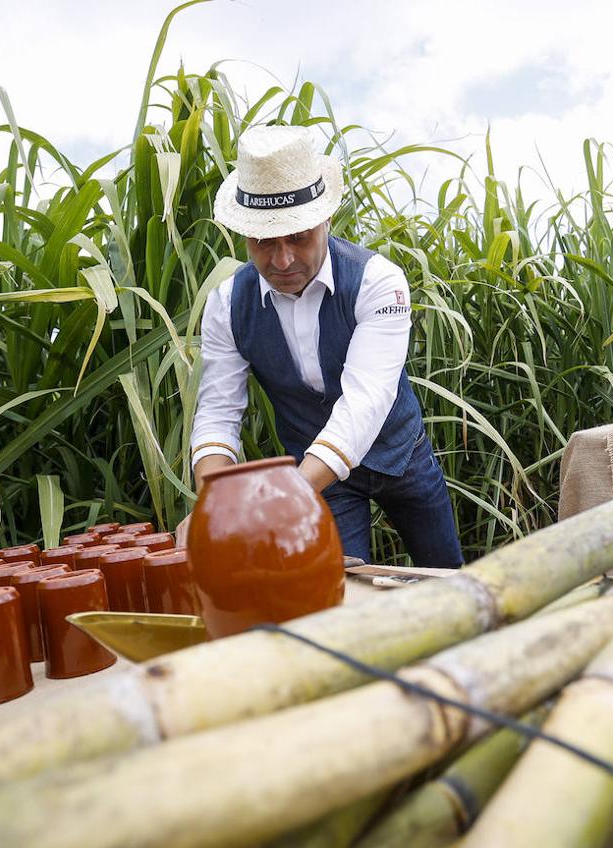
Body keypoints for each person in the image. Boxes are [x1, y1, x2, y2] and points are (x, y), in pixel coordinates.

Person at [181, 125, 463, 568]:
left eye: (298, 237)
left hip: (399, 455)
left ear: (325, 221)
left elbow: (365, 402)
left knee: (447, 576)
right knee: (336, 593)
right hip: (316, 476)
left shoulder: (378, 281)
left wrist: (284, 498)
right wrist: (214, 500)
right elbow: (218, 411)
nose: (283, 260)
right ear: (243, 236)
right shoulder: (226, 306)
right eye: (264, 242)